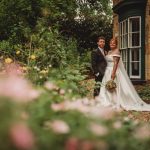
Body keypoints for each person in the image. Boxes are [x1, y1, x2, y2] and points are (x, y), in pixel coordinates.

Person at [97, 38, 150, 111]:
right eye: (111, 43)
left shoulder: (117, 52)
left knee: (114, 87)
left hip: (113, 71)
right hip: (107, 71)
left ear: (116, 44)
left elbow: (115, 64)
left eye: (114, 43)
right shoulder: (109, 52)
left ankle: (115, 101)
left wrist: (113, 74)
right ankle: (107, 100)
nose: (112, 44)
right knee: (106, 86)